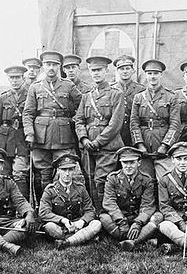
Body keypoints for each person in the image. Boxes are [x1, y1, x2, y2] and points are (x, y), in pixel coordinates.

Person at [22, 51, 82, 195]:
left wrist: (74, 120)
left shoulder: (68, 86)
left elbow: (83, 105)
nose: (51, 68)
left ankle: (63, 203)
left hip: (63, 136)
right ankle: (43, 205)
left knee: (65, 169)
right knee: (43, 174)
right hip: (40, 136)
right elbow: (28, 113)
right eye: (48, 64)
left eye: (55, 65)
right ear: (43, 66)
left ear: (59, 66)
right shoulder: (35, 87)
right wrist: (29, 134)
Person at [74, 56, 125, 209]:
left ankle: (105, 213)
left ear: (106, 71)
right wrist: (83, 139)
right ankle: (93, 213)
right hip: (88, 147)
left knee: (101, 180)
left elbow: (115, 124)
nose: (96, 73)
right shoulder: (87, 96)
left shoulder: (116, 94)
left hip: (107, 147)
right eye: (93, 70)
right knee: (89, 179)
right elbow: (79, 120)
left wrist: (98, 142)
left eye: (99, 70)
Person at [100, 146, 162, 251]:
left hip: (138, 217)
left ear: (139, 163)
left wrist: (138, 222)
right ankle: (142, 238)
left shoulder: (146, 180)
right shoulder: (112, 179)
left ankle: (132, 241)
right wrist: (121, 221)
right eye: (125, 163)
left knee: (158, 216)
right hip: (120, 218)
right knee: (104, 218)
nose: (128, 166)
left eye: (132, 162)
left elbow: (148, 205)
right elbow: (109, 203)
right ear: (121, 163)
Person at [130, 59, 181, 186]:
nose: (152, 76)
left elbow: (175, 124)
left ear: (161, 75)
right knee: (145, 180)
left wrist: (165, 145)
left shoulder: (171, 96)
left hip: (162, 142)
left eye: (156, 73)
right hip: (145, 142)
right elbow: (134, 122)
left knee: (165, 180)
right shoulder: (139, 97)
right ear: (145, 75)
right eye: (150, 73)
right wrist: (139, 145)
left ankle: (163, 205)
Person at [39, 154, 102, 249]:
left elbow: (90, 210)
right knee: (49, 227)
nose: (67, 174)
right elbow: (43, 212)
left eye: (70, 169)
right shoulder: (50, 190)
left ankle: (66, 241)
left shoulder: (80, 188)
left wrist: (81, 221)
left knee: (97, 224)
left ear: (74, 170)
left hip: (77, 224)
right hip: (60, 227)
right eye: (64, 170)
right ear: (58, 171)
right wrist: (63, 220)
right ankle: (83, 238)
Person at [0, 66, 30, 195]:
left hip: (21, 139)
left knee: (20, 172)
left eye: (17, 77)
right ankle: (5, 204)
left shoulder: (29, 95)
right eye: (12, 78)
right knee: (4, 173)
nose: (15, 81)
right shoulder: (4, 97)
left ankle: (22, 204)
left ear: (23, 78)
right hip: (4, 139)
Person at [111, 55, 146, 147]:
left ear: (133, 70)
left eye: (127, 68)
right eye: (122, 69)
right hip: (116, 130)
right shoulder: (111, 89)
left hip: (134, 130)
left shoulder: (141, 89)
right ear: (117, 71)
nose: (125, 71)